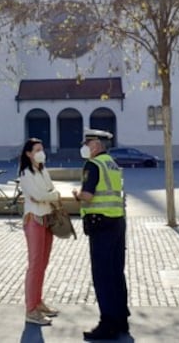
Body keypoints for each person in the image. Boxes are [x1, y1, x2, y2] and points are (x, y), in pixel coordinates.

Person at [72, 129, 130, 340]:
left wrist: (76, 195)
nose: (84, 147)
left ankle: (108, 324)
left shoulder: (93, 164)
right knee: (116, 273)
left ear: (96, 144)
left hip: (101, 225)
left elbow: (87, 195)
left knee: (103, 275)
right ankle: (122, 319)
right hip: (117, 222)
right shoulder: (113, 164)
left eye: (87, 143)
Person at [18, 138, 61, 326]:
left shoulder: (43, 171)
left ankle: (38, 302)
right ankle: (30, 309)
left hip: (47, 219)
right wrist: (49, 196)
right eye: (37, 150)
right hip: (34, 220)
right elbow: (39, 195)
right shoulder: (26, 173)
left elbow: (49, 190)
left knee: (43, 263)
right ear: (29, 154)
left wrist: (48, 196)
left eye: (42, 149)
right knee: (35, 264)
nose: (41, 152)